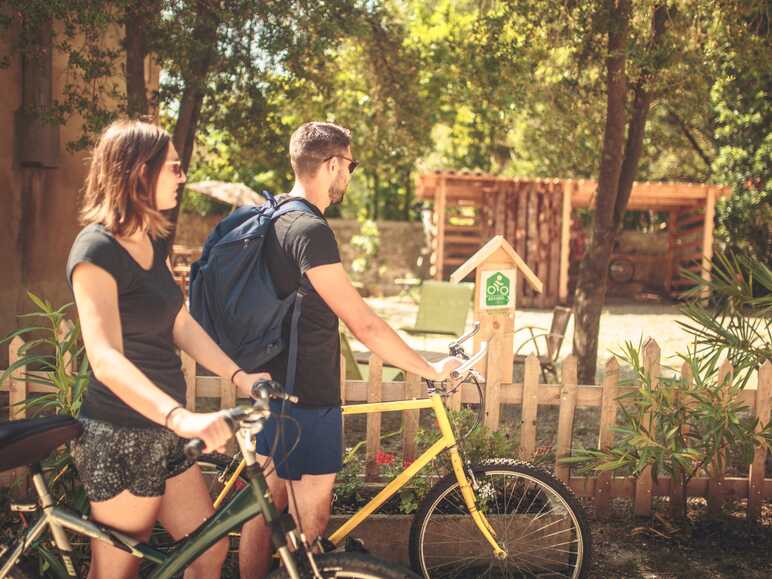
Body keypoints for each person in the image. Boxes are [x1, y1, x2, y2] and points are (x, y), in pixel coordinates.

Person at [239, 122, 462, 578]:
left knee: (263, 512)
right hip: (307, 397)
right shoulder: (310, 229)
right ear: (333, 164)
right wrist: (430, 368)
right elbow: (363, 324)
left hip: (275, 384)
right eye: (350, 166)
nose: (350, 176)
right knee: (310, 525)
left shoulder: (275, 215)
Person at [66, 119, 270, 579]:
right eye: (173, 168)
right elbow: (105, 358)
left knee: (207, 552)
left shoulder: (151, 240)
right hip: (120, 435)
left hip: (165, 431)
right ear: (140, 170)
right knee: (116, 573)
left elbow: (180, 322)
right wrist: (182, 417)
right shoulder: (95, 251)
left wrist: (240, 376)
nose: (182, 177)